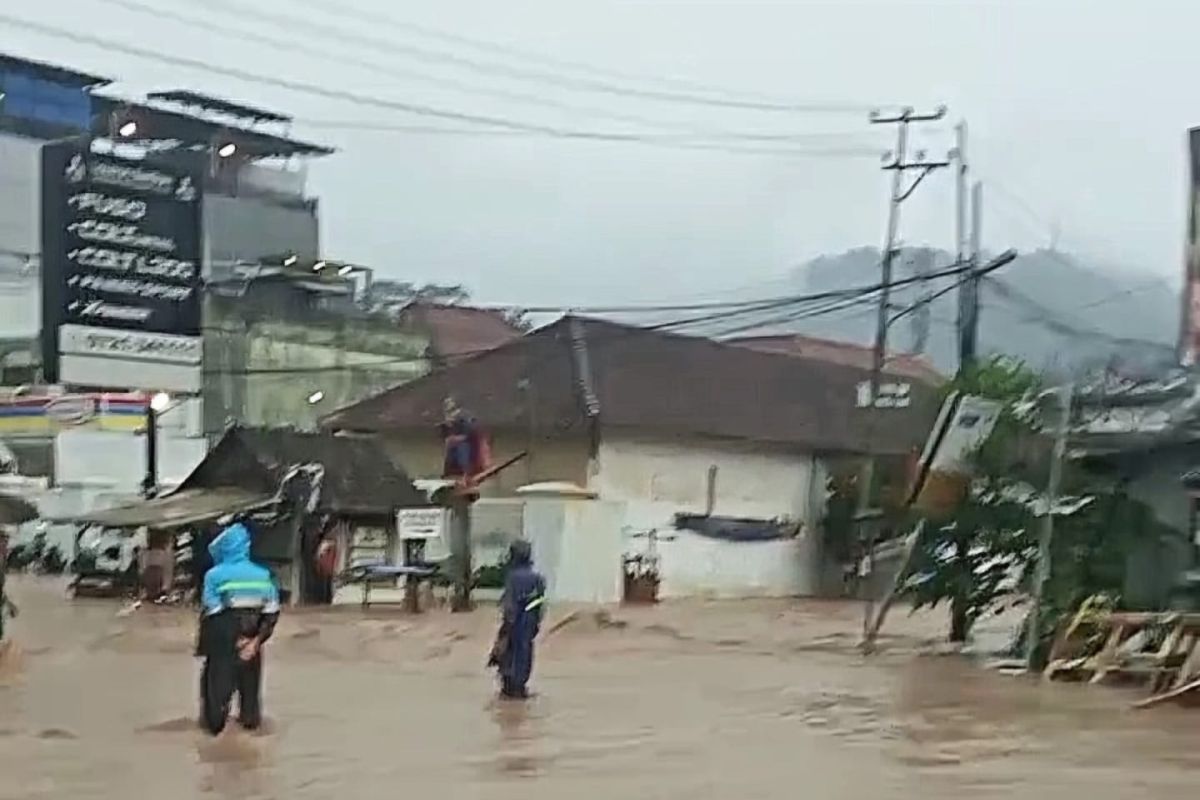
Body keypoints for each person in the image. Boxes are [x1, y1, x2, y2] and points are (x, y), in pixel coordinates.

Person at [196, 516, 279, 735]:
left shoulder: (213, 576)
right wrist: (254, 643)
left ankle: (214, 759)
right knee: (250, 712)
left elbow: (214, 613)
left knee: (215, 714)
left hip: (224, 648)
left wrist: (235, 641)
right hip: (253, 649)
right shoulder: (264, 576)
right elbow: (271, 615)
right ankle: (251, 758)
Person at [488, 540, 545, 699]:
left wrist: (504, 630)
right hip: (529, 627)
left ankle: (510, 696)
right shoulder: (538, 580)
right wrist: (535, 625)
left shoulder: (513, 578)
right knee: (524, 658)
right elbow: (539, 606)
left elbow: (510, 606)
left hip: (514, 626)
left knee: (509, 660)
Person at [0, 531, 16, 644]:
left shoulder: (3, 559)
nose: (6, 546)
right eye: (3, 542)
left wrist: (8, 603)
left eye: (7, 542)